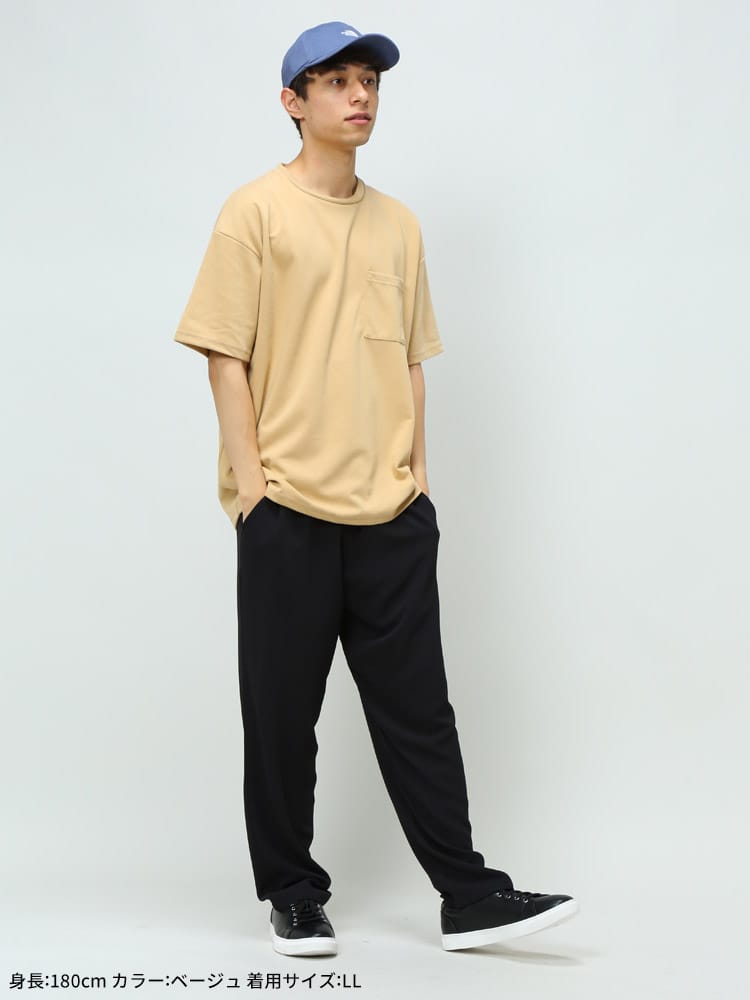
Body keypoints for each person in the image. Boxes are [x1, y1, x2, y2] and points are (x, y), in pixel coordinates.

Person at [173, 20, 578, 957]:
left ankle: (468, 896)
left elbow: (410, 362)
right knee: (282, 716)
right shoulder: (254, 212)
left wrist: (418, 483)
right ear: (292, 101)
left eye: (370, 81)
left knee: (420, 714)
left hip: (390, 513)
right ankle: (292, 894)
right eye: (336, 80)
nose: (360, 95)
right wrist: (253, 491)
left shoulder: (399, 223)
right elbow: (224, 356)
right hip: (287, 512)